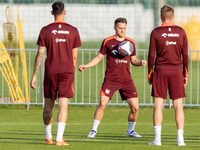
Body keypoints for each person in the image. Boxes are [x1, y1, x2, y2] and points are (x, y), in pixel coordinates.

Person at [79, 18, 147, 138]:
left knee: (135, 108)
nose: (122, 30)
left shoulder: (130, 42)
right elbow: (99, 57)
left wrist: (140, 62)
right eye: (120, 28)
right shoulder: (108, 41)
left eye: (124, 28)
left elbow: (133, 60)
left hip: (126, 80)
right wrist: (87, 65)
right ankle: (93, 130)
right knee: (102, 104)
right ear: (115, 28)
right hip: (111, 79)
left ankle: (130, 131)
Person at [30, 2, 81, 146]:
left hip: (50, 71)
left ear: (52, 13)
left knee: (48, 105)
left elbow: (40, 54)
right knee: (63, 105)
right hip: (67, 71)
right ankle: (59, 139)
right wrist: (71, 71)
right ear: (64, 12)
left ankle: (48, 137)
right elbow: (75, 57)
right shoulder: (73, 30)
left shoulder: (45, 30)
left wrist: (34, 75)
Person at [147, 5, 188, 146]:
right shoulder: (181, 31)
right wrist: (185, 73)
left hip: (160, 70)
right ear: (173, 16)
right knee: (178, 107)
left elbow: (151, 55)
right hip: (177, 71)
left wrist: (149, 73)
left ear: (160, 16)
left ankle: (157, 140)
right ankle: (180, 140)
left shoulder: (156, 32)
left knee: (158, 106)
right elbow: (186, 55)